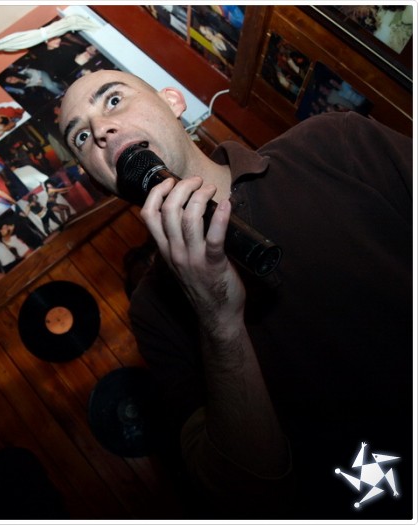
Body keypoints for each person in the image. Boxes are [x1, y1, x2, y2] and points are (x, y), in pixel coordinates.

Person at [58, 70, 412, 518]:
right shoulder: (152, 311)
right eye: (81, 137)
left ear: (172, 101)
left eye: (112, 100)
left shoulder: (331, 142)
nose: (101, 131)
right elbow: (247, 495)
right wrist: (219, 323)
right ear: (97, 179)